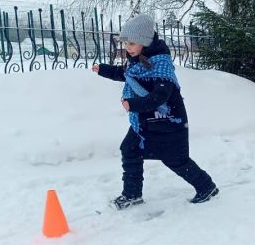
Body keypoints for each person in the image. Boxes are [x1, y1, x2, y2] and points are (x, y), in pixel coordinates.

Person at [92, 14, 218, 209]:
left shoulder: (161, 64)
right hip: (144, 122)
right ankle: (132, 194)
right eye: (125, 43)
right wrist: (102, 69)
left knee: (176, 160)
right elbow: (123, 74)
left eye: (132, 43)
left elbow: (160, 96)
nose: (128, 48)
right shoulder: (136, 61)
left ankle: (206, 187)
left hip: (168, 121)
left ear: (145, 42)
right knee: (130, 149)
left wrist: (133, 104)